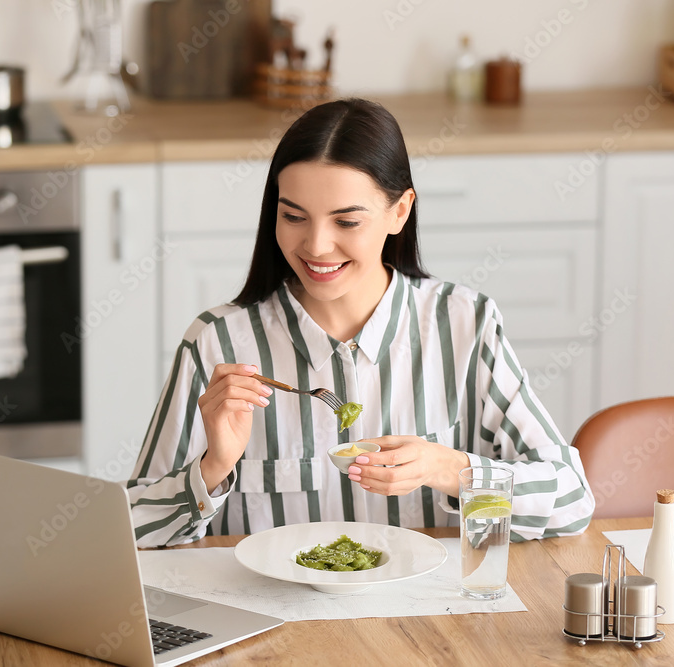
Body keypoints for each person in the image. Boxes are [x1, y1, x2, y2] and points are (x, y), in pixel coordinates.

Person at [127, 98, 595, 547]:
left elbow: (571, 499)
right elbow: (131, 526)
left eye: (346, 222)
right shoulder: (215, 343)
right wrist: (214, 467)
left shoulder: (465, 324)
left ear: (400, 211)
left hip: (426, 622)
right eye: (293, 216)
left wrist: (446, 468)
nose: (316, 245)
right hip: (275, 623)